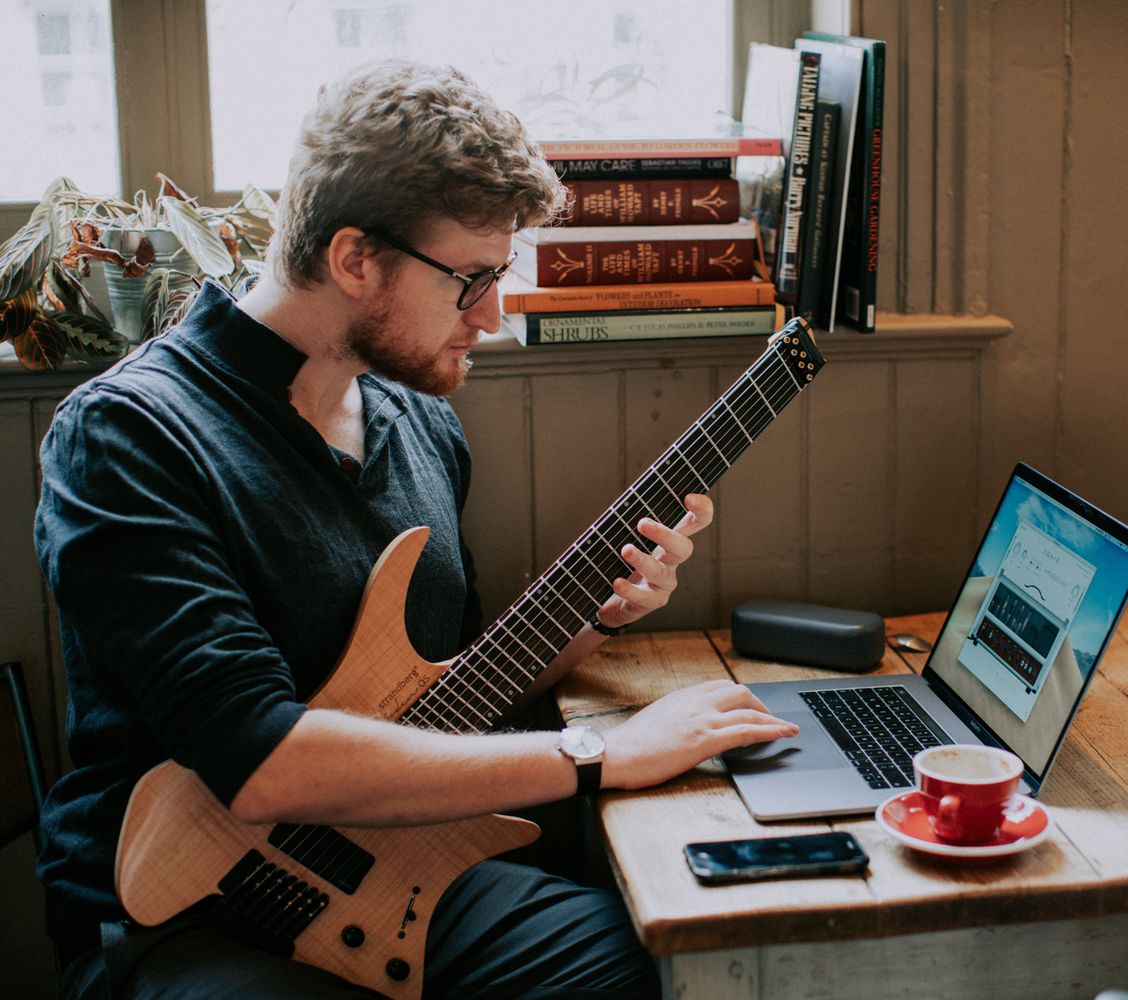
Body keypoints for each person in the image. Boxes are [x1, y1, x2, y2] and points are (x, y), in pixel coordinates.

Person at [33, 59, 798, 1000]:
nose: (492, 314)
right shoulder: (128, 437)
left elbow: (440, 696)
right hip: (189, 910)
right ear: (354, 258)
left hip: (395, 866)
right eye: (469, 280)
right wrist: (603, 754)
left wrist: (595, 617)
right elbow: (260, 761)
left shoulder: (414, 412)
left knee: (683, 971)